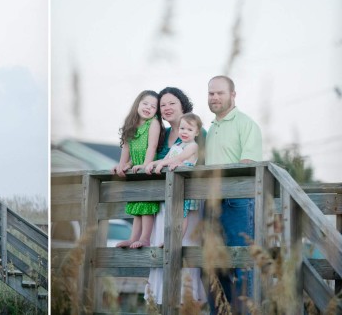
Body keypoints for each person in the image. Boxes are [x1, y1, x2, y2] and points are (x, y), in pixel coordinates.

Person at [205, 75, 262, 313]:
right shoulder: (210, 129)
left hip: (237, 202)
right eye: (211, 93)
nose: (215, 97)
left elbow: (248, 163)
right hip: (210, 203)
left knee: (242, 264)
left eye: (220, 93)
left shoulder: (246, 124)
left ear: (233, 95)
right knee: (213, 267)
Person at [143, 112, 207, 307]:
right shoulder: (177, 145)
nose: (185, 132)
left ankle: (177, 237)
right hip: (174, 190)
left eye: (189, 129)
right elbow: (169, 157)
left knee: (184, 214)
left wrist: (162, 163)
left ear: (196, 132)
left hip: (187, 187)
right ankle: (173, 235)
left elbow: (179, 159)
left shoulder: (192, 146)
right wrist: (151, 164)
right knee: (177, 213)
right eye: (182, 129)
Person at [112, 90, 162, 249]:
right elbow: (126, 147)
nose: (148, 108)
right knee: (136, 204)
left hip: (147, 169)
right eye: (145, 103)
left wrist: (146, 164)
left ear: (156, 111)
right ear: (137, 104)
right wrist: (122, 165)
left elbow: (152, 146)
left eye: (153, 106)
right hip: (136, 170)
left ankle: (145, 238)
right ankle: (133, 238)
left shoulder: (153, 123)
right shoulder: (131, 123)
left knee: (146, 205)